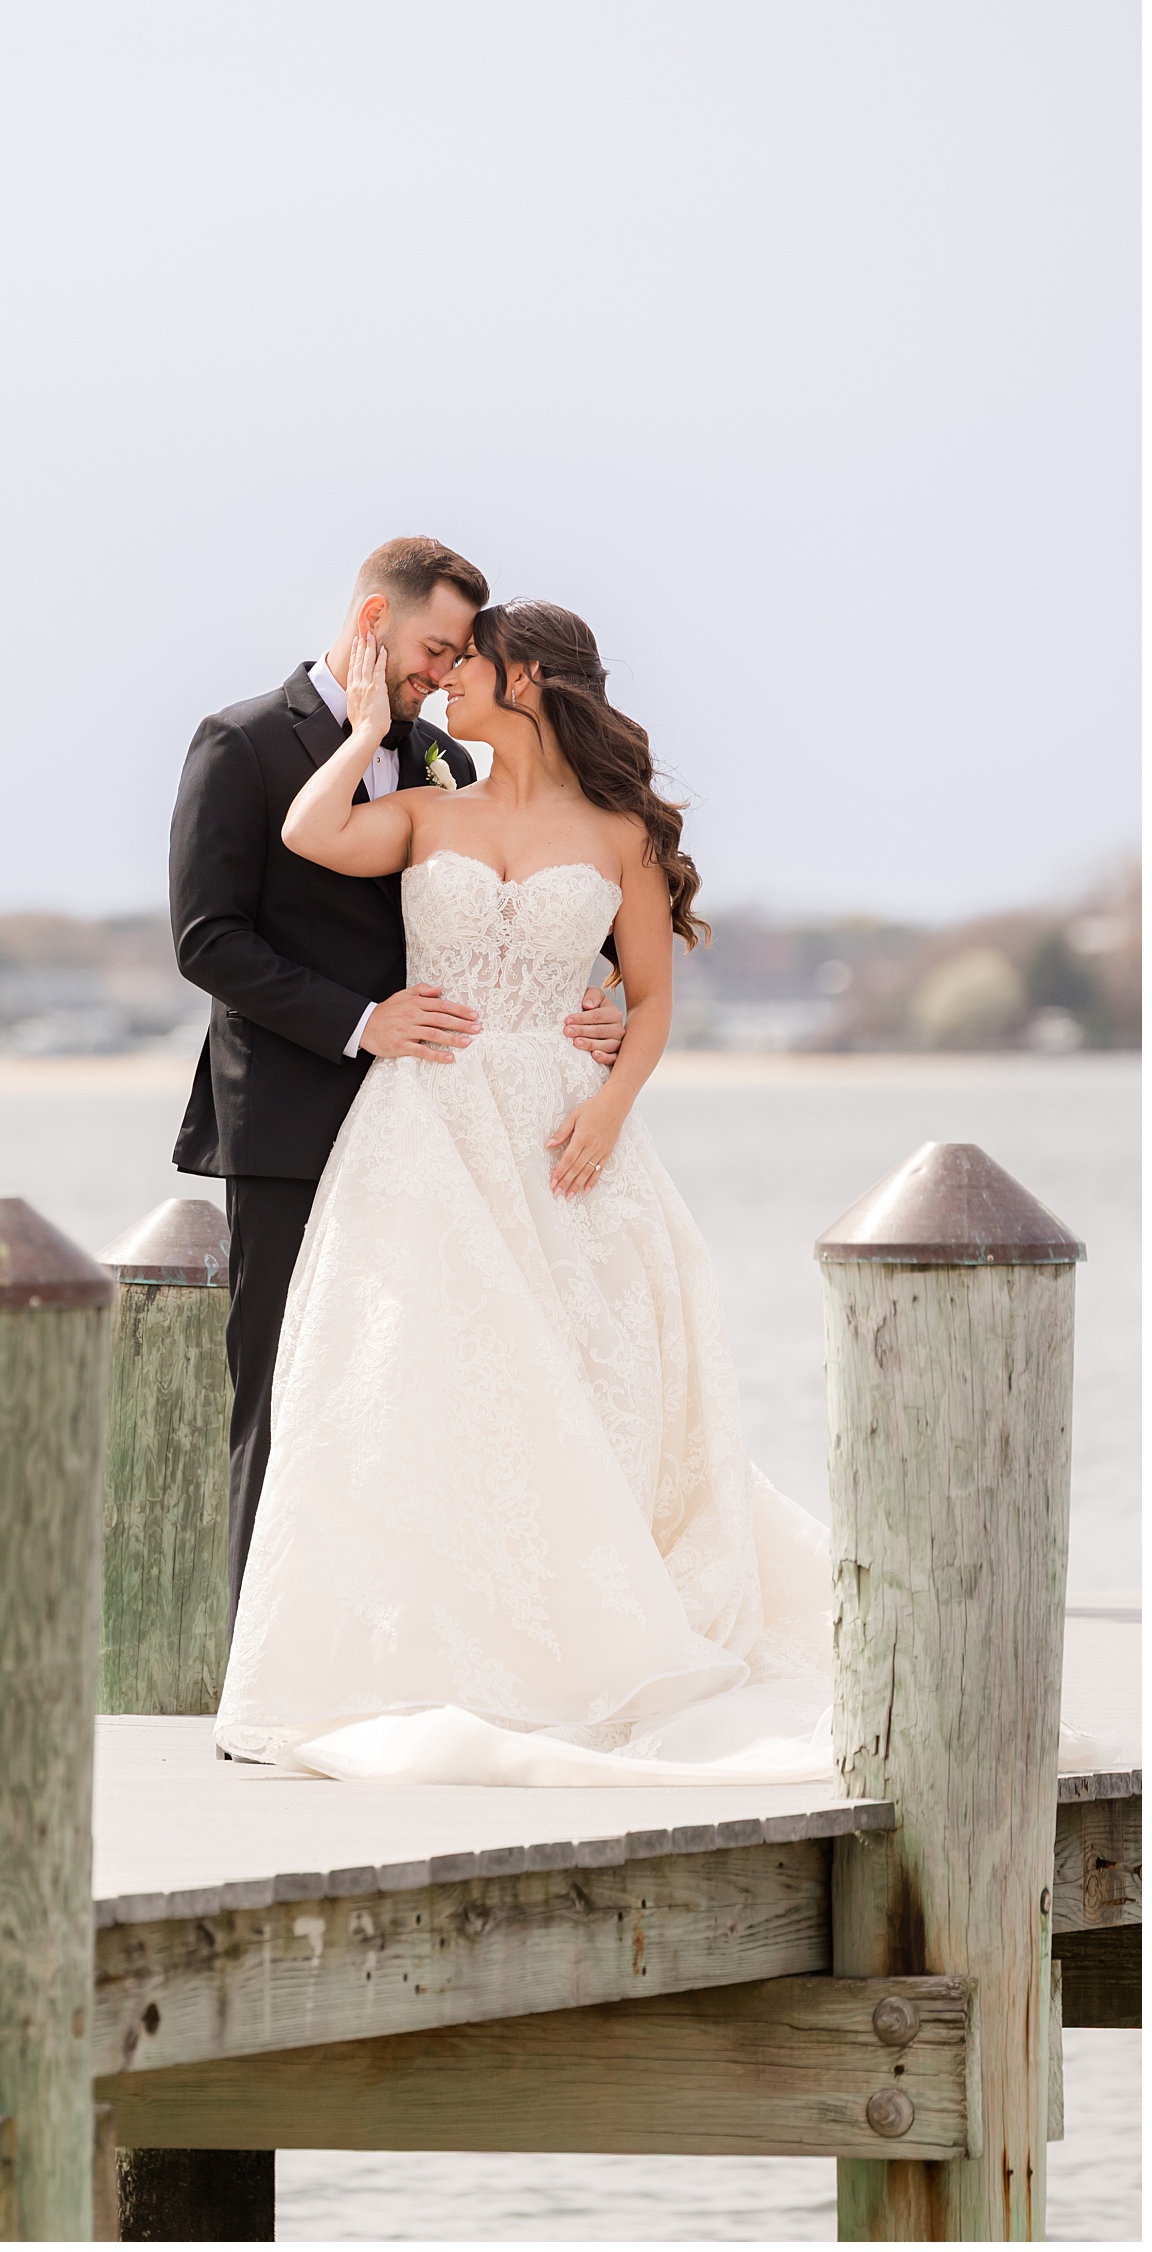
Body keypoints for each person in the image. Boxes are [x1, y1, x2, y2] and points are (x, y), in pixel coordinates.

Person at [213, 596, 838, 1786]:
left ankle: (585, 1639)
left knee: (580, 1376)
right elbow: (304, 834)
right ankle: (434, 1643)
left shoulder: (618, 835)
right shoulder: (421, 805)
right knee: (422, 1382)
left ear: (531, 679)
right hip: (425, 1126)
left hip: (560, 1130)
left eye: (467, 665)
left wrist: (608, 1105)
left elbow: (647, 999)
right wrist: (355, 731)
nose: (443, 682)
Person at [169, 542, 626, 1625]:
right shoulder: (237, 741)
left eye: (459, 655)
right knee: (281, 1391)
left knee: (419, 1389)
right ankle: (261, 1666)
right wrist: (358, 1023)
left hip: (434, 1125)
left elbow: (497, 897)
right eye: (433, 647)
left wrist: (593, 990)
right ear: (374, 619)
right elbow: (205, 939)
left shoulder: (441, 758)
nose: (442, 670)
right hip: (287, 1118)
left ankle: (409, 1638)